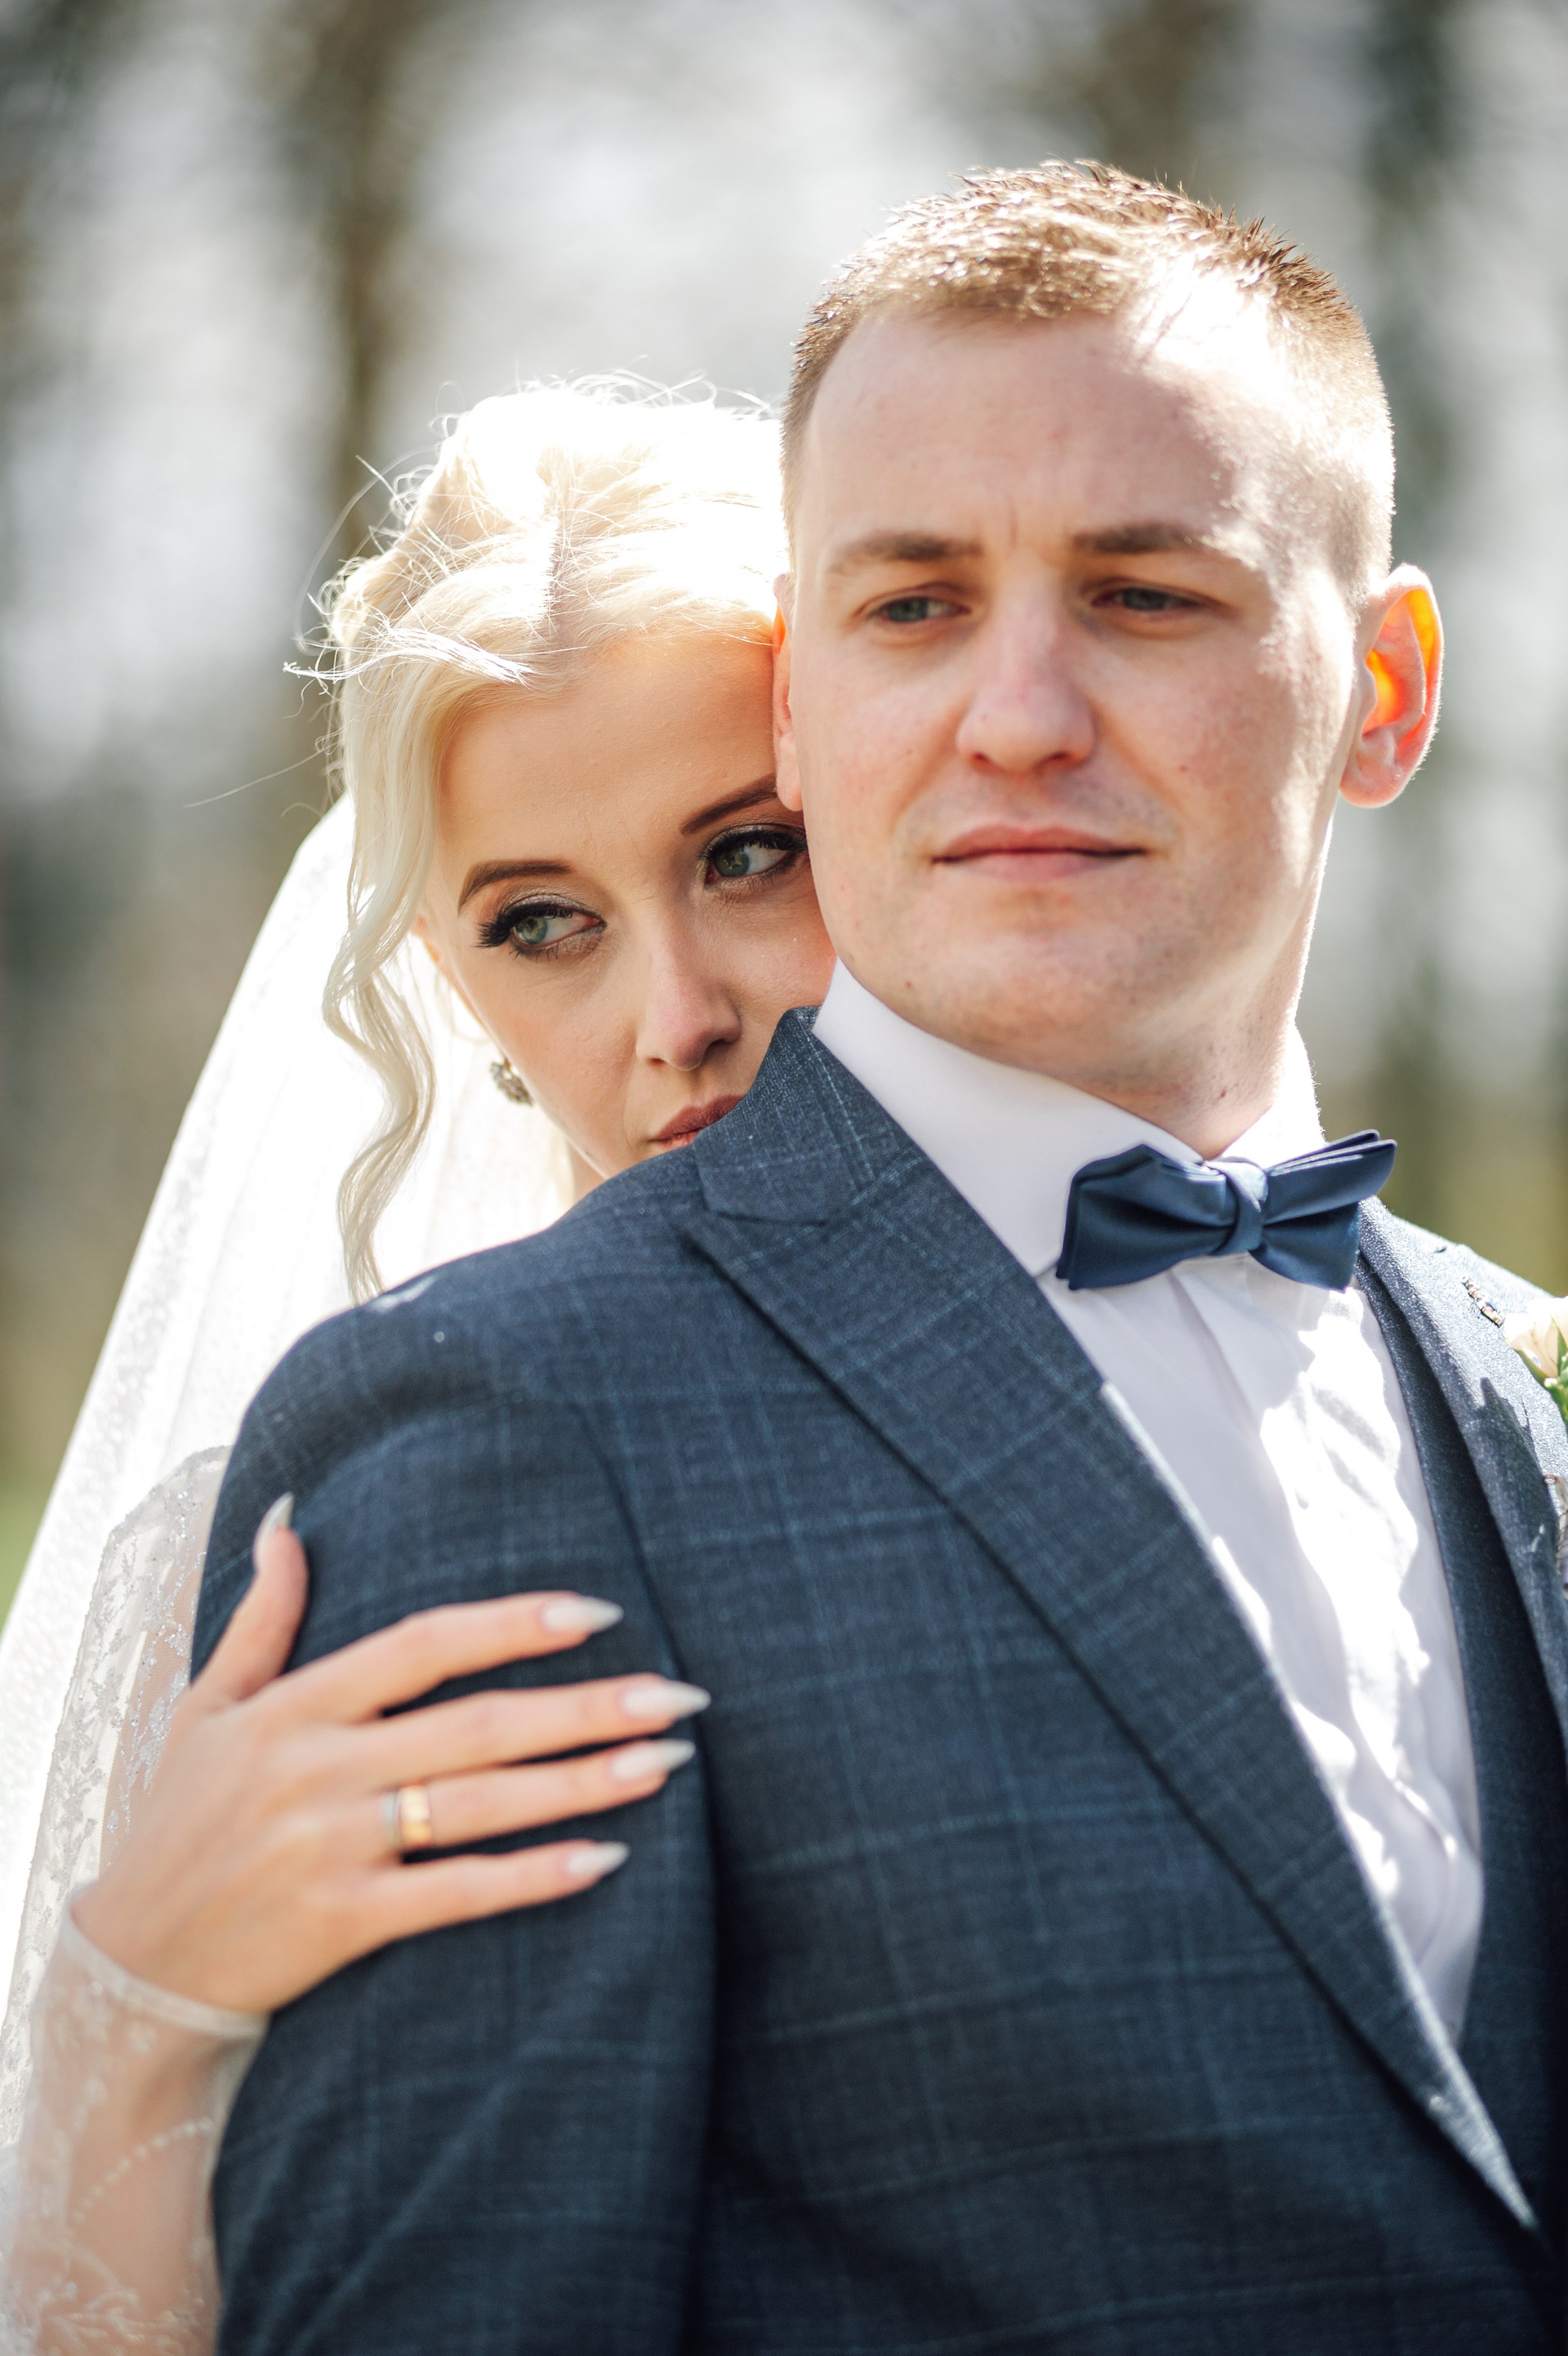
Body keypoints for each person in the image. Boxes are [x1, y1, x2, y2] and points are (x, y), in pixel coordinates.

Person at [197, 162, 1568, 2353]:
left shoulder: (1515, 1371)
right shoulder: (497, 1429)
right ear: (800, 694)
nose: (1018, 712)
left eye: (1144, 593)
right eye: (915, 605)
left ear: (1386, 690)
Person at [0, 383, 835, 2350]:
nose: (675, 1016)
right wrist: (134, 1996)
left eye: (747, 855)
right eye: (543, 922)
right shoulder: (270, 1562)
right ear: (451, 984)